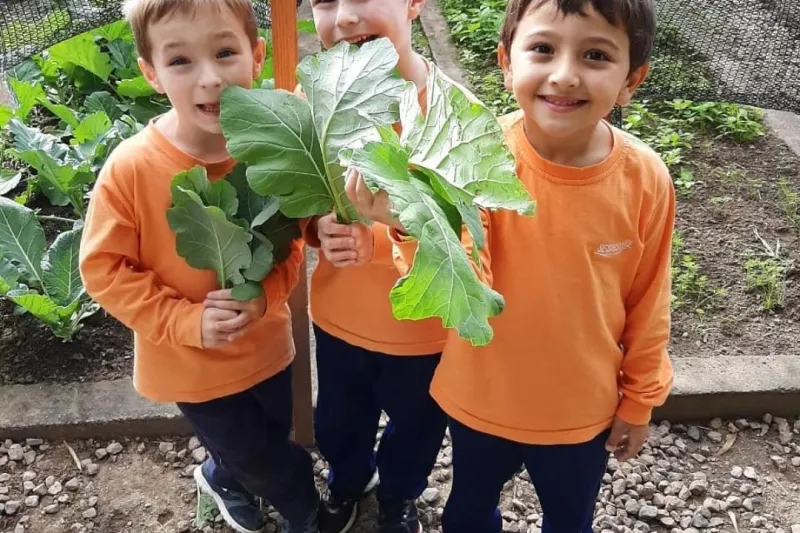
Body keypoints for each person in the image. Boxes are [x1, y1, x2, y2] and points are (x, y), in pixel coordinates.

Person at [344, 1, 675, 532]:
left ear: (631, 79)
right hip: (482, 398)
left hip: (580, 411)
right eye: (543, 49)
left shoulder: (646, 179)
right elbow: (451, 277)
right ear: (506, 61)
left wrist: (639, 399)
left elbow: (650, 299)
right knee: (468, 513)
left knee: (569, 519)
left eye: (595, 55)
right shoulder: (471, 155)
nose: (564, 75)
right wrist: (407, 222)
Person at [80, 1, 321, 532]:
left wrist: (266, 295)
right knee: (266, 460)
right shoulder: (131, 168)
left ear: (255, 56)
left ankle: (222, 476)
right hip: (189, 364)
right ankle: (305, 510)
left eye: (225, 53)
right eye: (182, 61)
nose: (209, 78)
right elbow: (103, 269)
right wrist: (185, 322)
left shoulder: (270, 149)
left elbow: (293, 244)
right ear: (151, 73)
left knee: (269, 432)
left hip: (268, 346)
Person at [302, 1, 455, 532]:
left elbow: (472, 229)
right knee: (338, 421)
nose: (343, 17)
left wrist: (397, 228)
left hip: (424, 331)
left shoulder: (449, 110)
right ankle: (347, 482)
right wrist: (316, 227)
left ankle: (399, 497)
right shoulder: (315, 101)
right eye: (324, 0)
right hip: (340, 318)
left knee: (417, 428)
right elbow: (298, 193)